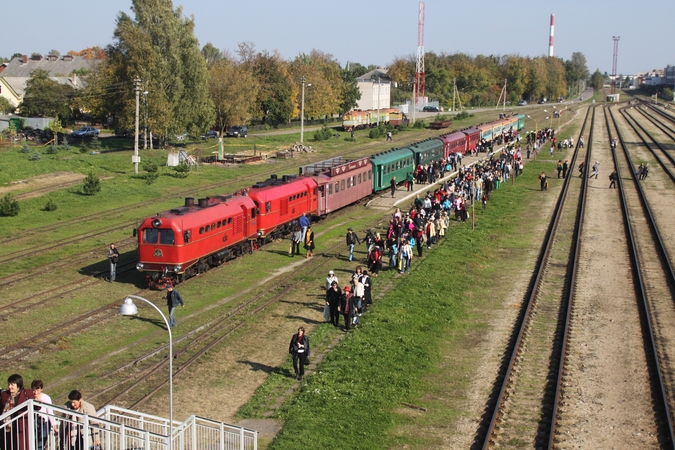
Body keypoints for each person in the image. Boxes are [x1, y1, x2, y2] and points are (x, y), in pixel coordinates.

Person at [1, 374, 35, 450]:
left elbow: (36, 406)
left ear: (18, 385)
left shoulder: (26, 393)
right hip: (7, 427)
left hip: (21, 425)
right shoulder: (4, 395)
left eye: (12, 384)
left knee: (22, 446)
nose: (9, 386)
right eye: (9, 384)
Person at [32, 380, 56, 450]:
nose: (35, 392)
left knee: (41, 443)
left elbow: (50, 412)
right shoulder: (30, 397)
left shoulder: (46, 398)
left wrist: (53, 425)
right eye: (33, 390)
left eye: (37, 390)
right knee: (33, 442)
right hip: (34, 422)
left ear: (41, 389)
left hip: (44, 423)